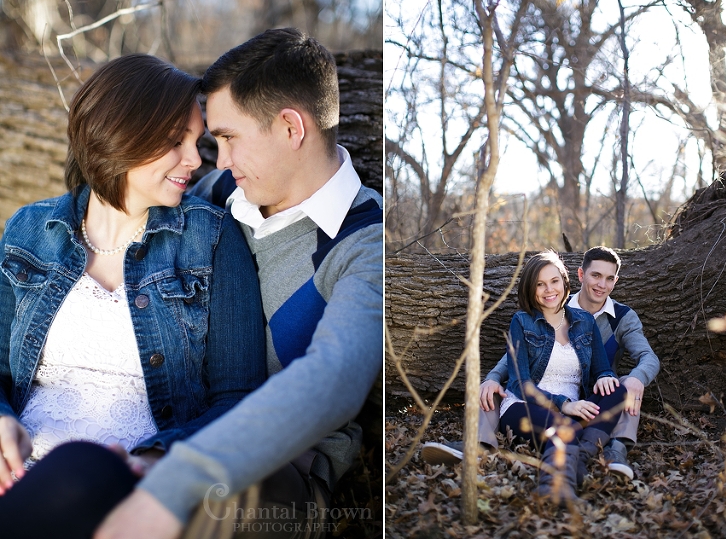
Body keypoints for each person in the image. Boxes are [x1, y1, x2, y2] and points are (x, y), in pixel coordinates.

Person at [95, 28, 383, 539]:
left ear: (291, 128)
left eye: (228, 138)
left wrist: (181, 475)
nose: (217, 158)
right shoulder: (222, 191)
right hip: (164, 427)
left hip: (277, 472)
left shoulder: (365, 243)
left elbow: (335, 378)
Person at [0, 54, 266, 538]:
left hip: (127, 484)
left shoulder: (212, 241)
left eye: (198, 141)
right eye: (175, 142)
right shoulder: (29, 230)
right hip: (17, 477)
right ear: (118, 134)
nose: (196, 159)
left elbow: (238, 397)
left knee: (81, 466)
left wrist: (158, 455)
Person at [423, 246, 659, 480]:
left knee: (625, 386)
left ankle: (615, 451)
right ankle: (478, 445)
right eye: (595, 275)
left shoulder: (618, 317)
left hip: (590, 395)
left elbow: (644, 358)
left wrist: (634, 377)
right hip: (542, 397)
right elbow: (516, 360)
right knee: (494, 389)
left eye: (609, 279)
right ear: (580, 275)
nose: (601, 285)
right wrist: (493, 377)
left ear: (615, 281)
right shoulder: (546, 311)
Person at [501, 251, 627, 501]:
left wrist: (603, 376)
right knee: (565, 427)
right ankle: (555, 489)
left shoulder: (584, 321)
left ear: (564, 281)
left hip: (574, 411)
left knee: (618, 390)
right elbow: (519, 383)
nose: (549, 290)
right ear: (530, 288)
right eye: (540, 284)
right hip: (525, 406)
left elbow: (602, 368)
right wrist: (564, 405)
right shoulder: (522, 322)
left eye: (554, 281)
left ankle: (578, 456)